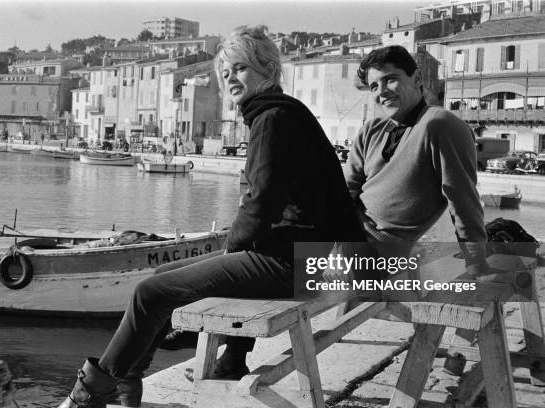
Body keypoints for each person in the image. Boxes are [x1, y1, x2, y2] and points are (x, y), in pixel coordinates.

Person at [58, 25, 364, 408]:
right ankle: (182, 369)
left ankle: (90, 394)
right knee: (159, 279)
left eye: (241, 68)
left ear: (267, 69)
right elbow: (313, 199)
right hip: (306, 260)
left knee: (148, 292)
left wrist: (229, 253)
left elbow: (259, 205)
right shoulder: (287, 114)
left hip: (290, 264)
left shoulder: (272, 120)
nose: (231, 79)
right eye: (225, 73)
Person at [341, 45, 487, 280]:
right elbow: (345, 189)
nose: (382, 92)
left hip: (377, 247)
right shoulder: (372, 128)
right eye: (374, 86)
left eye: (390, 80)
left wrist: (476, 264)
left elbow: (463, 200)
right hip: (346, 232)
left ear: (417, 78)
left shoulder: (440, 125)